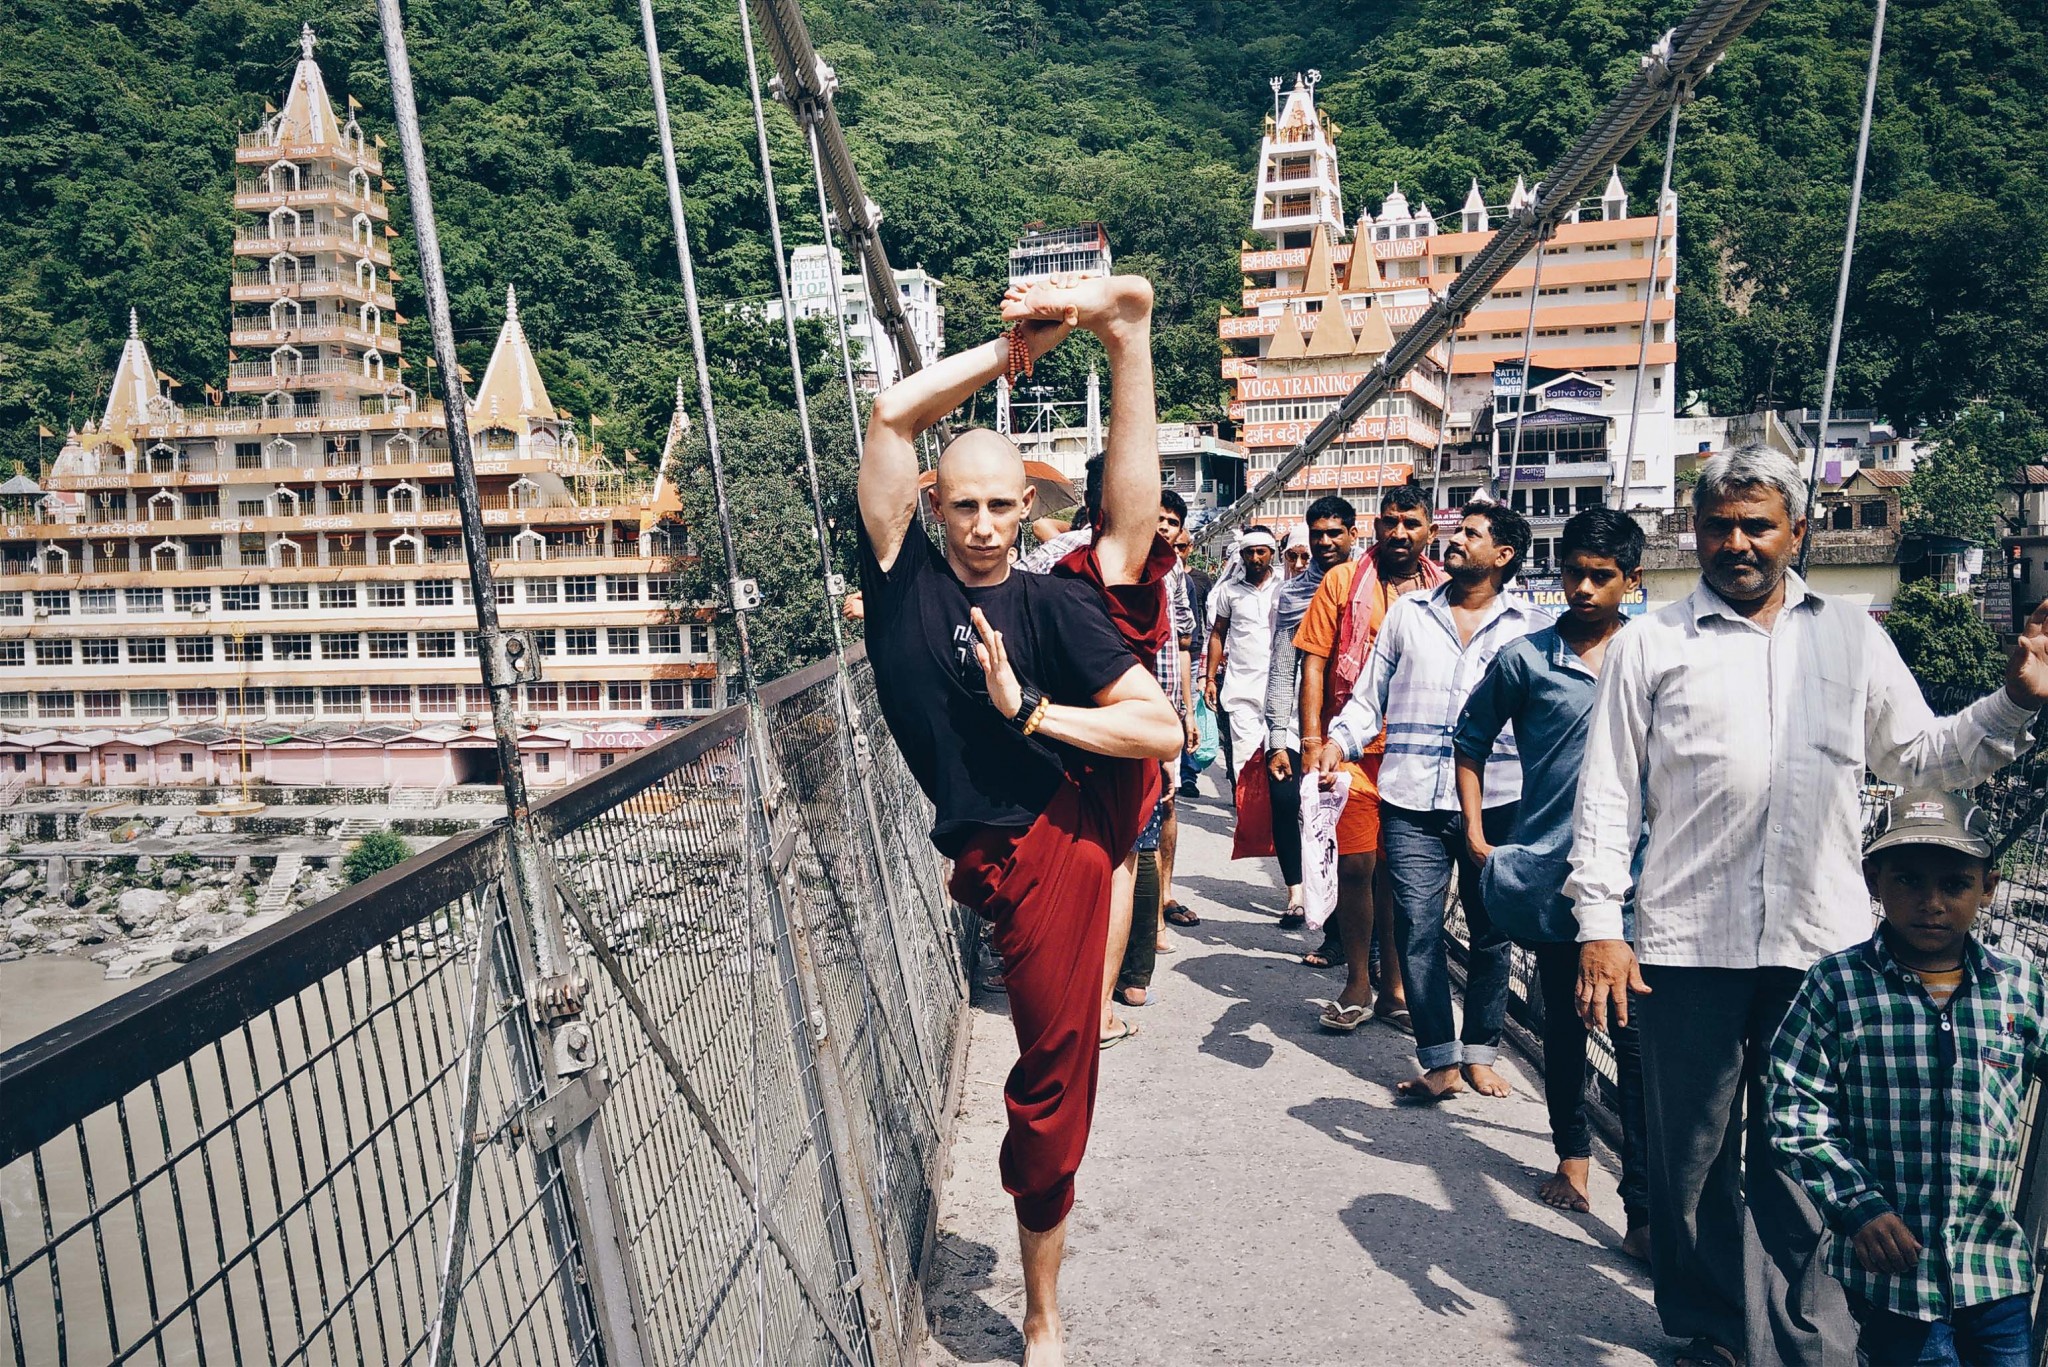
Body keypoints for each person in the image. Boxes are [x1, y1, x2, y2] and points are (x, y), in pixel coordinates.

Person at [1568, 445, 2048, 1367]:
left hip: (1820, 948)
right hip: (1686, 941)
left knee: (1807, 1157)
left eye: (1758, 525)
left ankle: (1811, 1342)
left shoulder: (1852, 636)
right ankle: (1715, 1326)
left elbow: (1921, 758)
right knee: (1690, 1160)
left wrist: (2014, 703)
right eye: (1719, 525)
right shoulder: (1649, 644)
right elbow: (1609, 795)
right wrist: (1600, 926)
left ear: (1797, 531)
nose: (1737, 542)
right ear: (1694, 533)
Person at [855, 272, 1183, 1366]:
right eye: (965, 506)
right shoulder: (900, 581)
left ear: (1028, 508)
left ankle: (1042, 1310)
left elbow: (1160, 728)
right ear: (931, 505)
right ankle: (1121, 329)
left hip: (1061, 831)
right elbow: (891, 413)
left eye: (1004, 506)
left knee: (1050, 1083)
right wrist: (1012, 352)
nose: (987, 526)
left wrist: (1031, 710)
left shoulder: (1046, 599)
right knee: (1117, 572)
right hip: (987, 850)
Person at [1768, 788, 2043, 1367]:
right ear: (1875, 881)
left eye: (1955, 884)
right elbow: (1794, 1107)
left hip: (1994, 1268)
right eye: (1909, 881)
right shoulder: (1838, 985)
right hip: (1895, 1274)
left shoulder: (2019, 987)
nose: (1932, 903)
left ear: (1988, 887)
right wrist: (1857, 1205)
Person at [1453, 507, 1650, 1258]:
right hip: (1555, 878)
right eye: (1574, 573)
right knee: (1566, 1026)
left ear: (1633, 579)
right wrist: (1477, 835)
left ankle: (1644, 1210)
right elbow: (1470, 739)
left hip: (1640, 881)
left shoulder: (1652, 655)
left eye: (1603, 576)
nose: (1585, 589)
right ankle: (1573, 1155)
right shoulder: (1524, 659)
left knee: (1635, 1045)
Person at [1315, 501, 1546, 1101]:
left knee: (1491, 932)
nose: (1455, 540)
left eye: (1471, 534)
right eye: (1456, 531)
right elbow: (1369, 696)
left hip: (1498, 800)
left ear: (1504, 555)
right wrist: (1338, 742)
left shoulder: (1530, 627)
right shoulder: (1409, 615)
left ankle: (1481, 1053)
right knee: (1417, 924)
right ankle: (1440, 1059)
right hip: (1411, 797)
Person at [1293, 483, 1443, 1026]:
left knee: (1397, 873)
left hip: (1417, 751)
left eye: (1411, 523)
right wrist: (1312, 743)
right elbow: (1313, 663)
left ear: (1430, 532)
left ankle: (1396, 988)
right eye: (1390, 522)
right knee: (1356, 865)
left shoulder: (1444, 591)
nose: (1399, 533)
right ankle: (1357, 981)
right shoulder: (1341, 581)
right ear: (1376, 527)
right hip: (1350, 748)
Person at [1264, 499, 1355, 932]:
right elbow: (1284, 671)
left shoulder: (1373, 586)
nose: (1324, 542)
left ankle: (1356, 939)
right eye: (1317, 534)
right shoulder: (1294, 595)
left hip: (1362, 727)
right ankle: (1316, 914)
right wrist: (1276, 740)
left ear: (1353, 534)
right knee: (1304, 816)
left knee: (1358, 837)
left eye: (1334, 532)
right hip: (1308, 727)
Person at [1203, 526, 1281, 790]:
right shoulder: (1229, 591)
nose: (1255, 558)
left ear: (1271, 553)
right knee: (1245, 762)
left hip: (1280, 689)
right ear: (1242, 554)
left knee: (1279, 757)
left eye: (1261, 552)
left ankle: (1274, 813)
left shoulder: (1285, 588)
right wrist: (1210, 679)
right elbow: (1218, 634)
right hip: (1241, 689)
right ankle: (1246, 813)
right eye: (1249, 552)